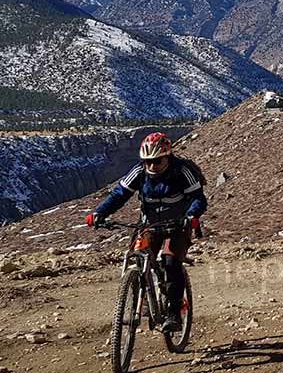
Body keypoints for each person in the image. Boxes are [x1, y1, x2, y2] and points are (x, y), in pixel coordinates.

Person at [85, 132, 206, 332]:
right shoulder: (139, 171)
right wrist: (99, 213)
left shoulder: (182, 171)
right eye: (147, 161)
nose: (151, 166)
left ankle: (174, 312)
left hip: (178, 225)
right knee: (140, 256)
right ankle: (145, 294)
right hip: (149, 224)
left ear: (168, 156)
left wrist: (192, 216)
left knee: (170, 261)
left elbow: (198, 198)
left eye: (157, 161)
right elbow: (119, 195)